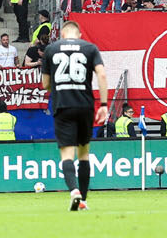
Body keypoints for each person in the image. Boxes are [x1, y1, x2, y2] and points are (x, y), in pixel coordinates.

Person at [40, 20, 109, 212]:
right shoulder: (89, 48)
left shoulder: (51, 50)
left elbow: (45, 84)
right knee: (84, 153)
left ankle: (74, 193)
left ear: (62, 34)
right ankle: (84, 200)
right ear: (79, 35)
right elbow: (102, 75)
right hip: (85, 106)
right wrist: (103, 104)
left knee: (67, 154)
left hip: (63, 106)